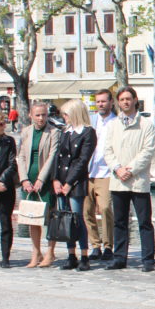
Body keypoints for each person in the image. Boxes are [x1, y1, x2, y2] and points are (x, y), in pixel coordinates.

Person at [104, 86, 155, 272]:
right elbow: (107, 150)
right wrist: (118, 169)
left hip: (138, 180)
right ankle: (119, 258)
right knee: (119, 221)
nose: (126, 102)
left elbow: (148, 151)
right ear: (118, 102)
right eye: (122, 99)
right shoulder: (112, 125)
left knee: (144, 221)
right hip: (119, 180)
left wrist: (131, 169)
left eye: (129, 98)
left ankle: (148, 259)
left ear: (135, 100)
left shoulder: (146, 125)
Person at [52, 99, 97, 271]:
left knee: (77, 218)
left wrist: (69, 182)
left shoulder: (87, 132)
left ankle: (84, 255)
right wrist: (56, 179)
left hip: (76, 181)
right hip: (62, 180)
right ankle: (71, 254)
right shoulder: (66, 132)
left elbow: (82, 160)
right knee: (66, 218)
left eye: (66, 114)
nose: (64, 118)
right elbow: (58, 157)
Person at [16, 101, 60, 268]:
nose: (41, 118)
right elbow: (21, 156)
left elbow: (52, 155)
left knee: (49, 217)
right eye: (38, 115)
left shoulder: (54, 132)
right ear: (31, 115)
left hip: (46, 179)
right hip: (29, 178)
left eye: (44, 115)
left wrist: (41, 179)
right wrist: (24, 179)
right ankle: (36, 252)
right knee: (32, 217)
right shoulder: (26, 131)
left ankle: (50, 252)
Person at [84, 89, 116, 262]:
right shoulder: (92, 121)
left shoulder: (116, 122)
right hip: (89, 172)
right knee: (87, 210)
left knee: (105, 208)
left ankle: (108, 245)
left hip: (106, 172)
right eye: (98, 102)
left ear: (111, 102)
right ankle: (95, 245)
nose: (101, 104)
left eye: (104, 101)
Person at [0, 111, 18, 267]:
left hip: (5, 187)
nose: (4, 126)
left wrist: (1, 182)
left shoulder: (9, 141)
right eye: (1, 123)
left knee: (5, 222)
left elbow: (12, 164)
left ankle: (6, 257)